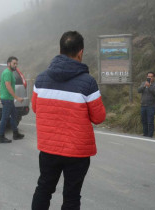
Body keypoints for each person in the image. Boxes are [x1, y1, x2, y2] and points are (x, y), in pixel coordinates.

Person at [31, 31, 106, 210]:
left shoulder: (41, 79)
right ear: (81, 52)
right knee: (72, 195)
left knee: (44, 188)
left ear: (60, 50)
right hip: (77, 151)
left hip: (49, 148)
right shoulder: (87, 82)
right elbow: (99, 117)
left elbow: (36, 108)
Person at [0, 56, 25, 143]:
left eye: (16, 64)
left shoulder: (10, 72)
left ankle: (16, 134)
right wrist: (17, 97)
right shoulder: (7, 73)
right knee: (5, 118)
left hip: (9, 99)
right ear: (9, 63)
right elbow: (8, 86)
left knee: (14, 115)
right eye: (14, 63)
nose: (15, 65)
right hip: (7, 99)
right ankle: (0, 137)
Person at [137, 72, 155, 137]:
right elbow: (138, 90)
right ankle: (145, 133)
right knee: (144, 120)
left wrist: (149, 86)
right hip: (143, 105)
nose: (149, 78)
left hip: (151, 106)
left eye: (151, 76)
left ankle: (150, 135)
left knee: (150, 121)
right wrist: (144, 86)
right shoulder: (143, 83)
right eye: (148, 76)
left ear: (154, 78)